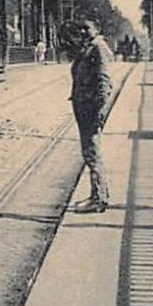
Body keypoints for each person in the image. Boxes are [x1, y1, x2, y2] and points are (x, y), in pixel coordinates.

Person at [65, 19, 114, 213]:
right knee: (90, 153)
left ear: (96, 29)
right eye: (82, 29)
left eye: (88, 28)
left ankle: (98, 199)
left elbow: (103, 82)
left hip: (90, 108)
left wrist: (100, 110)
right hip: (85, 106)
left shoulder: (98, 48)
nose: (84, 31)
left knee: (92, 153)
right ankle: (98, 195)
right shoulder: (90, 47)